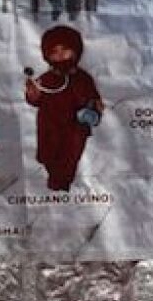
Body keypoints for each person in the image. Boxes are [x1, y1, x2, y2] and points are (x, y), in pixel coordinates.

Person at [25, 25, 104, 191]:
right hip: (49, 125)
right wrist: (33, 94)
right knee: (49, 154)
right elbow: (35, 99)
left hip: (75, 127)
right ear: (47, 55)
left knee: (70, 156)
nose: (60, 55)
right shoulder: (46, 79)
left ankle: (62, 183)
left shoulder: (82, 78)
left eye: (65, 50)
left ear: (76, 51)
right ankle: (54, 178)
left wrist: (94, 109)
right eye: (55, 51)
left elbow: (93, 98)